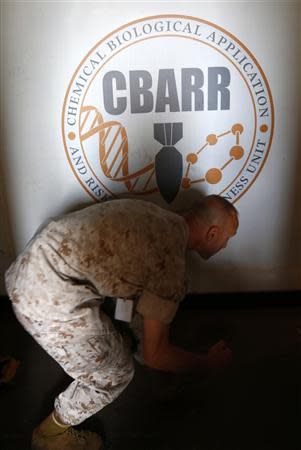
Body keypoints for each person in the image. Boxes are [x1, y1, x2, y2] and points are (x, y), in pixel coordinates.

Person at [5, 194, 239, 450]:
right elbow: (155, 356)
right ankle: (51, 434)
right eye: (227, 240)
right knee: (117, 373)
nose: (225, 246)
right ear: (212, 234)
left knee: (124, 339)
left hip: (26, 267)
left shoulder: (155, 215)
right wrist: (206, 364)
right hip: (44, 300)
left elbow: (131, 292)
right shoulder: (170, 265)